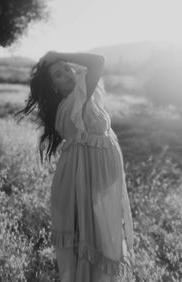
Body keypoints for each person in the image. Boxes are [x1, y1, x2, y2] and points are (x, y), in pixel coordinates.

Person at [20, 51, 135, 282]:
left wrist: (56, 60)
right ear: (53, 86)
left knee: (99, 234)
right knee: (95, 236)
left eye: (67, 68)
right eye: (58, 74)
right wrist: (58, 54)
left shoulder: (82, 97)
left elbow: (90, 67)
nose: (68, 74)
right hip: (85, 174)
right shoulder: (74, 101)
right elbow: (98, 61)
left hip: (94, 172)